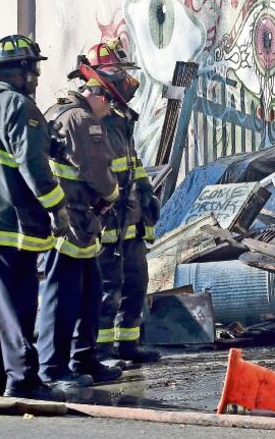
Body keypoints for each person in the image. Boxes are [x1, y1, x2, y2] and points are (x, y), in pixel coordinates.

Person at [38, 62, 128, 386]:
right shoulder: (81, 119)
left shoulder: (63, 112)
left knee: (88, 293)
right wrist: (114, 193)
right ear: (99, 96)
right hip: (70, 223)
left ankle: (84, 360)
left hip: (80, 222)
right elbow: (99, 173)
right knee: (62, 297)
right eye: (112, 102)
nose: (112, 110)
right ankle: (53, 369)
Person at [72, 41, 161, 365]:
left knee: (136, 282)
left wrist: (146, 190)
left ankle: (129, 343)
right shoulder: (91, 118)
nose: (124, 81)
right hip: (108, 218)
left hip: (130, 216)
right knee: (108, 287)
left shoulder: (120, 117)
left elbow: (132, 162)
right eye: (117, 74)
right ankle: (103, 351)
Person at [0, 35, 69, 400]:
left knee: (1, 308)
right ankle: (24, 379)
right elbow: (34, 167)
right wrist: (58, 208)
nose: (38, 76)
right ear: (20, 71)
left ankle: (3, 377)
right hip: (14, 225)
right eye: (34, 68)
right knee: (20, 305)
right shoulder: (19, 107)